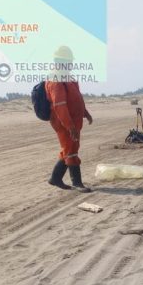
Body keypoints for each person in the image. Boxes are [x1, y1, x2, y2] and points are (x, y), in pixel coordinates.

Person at [46, 45, 93, 193]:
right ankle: (77, 183)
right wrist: (69, 125)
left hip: (74, 120)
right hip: (64, 122)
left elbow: (77, 98)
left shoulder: (68, 78)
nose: (71, 65)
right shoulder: (55, 80)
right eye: (68, 62)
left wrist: (85, 112)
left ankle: (55, 178)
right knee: (71, 150)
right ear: (59, 62)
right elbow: (59, 105)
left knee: (70, 148)